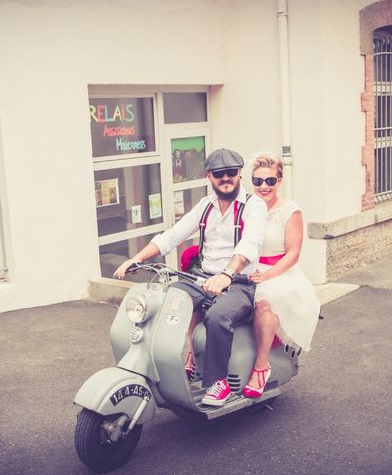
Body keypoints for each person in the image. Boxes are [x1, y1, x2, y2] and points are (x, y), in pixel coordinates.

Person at [114, 148, 267, 406]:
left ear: (240, 173)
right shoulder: (205, 206)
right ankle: (164, 363)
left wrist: (227, 274)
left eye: (231, 172)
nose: (226, 178)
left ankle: (218, 383)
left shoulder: (254, 206)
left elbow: (249, 245)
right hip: (203, 279)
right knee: (164, 302)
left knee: (218, 317)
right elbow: (172, 236)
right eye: (220, 174)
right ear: (209, 176)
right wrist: (136, 258)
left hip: (239, 283)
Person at [242, 152, 320, 398]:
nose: (263, 186)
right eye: (257, 181)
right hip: (249, 269)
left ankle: (261, 367)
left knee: (263, 303)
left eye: (270, 181)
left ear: (279, 181)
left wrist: (267, 276)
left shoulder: (290, 211)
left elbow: (293, 254)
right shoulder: (246, 207)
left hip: (280, 273)